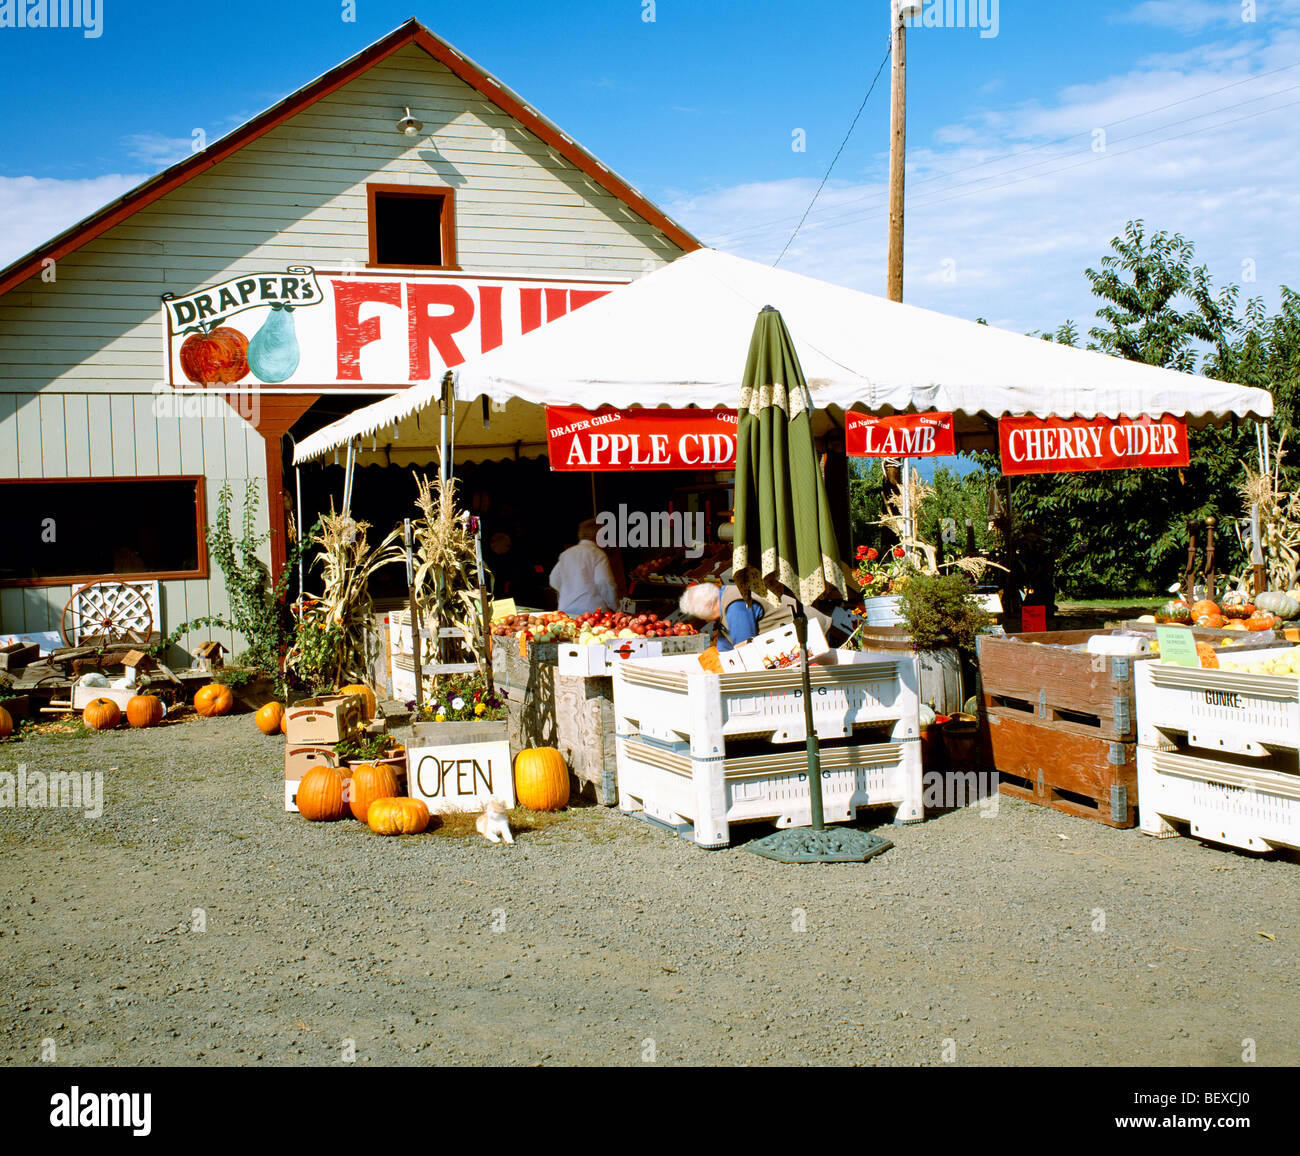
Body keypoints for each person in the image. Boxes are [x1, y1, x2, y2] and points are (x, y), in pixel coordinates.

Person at [549, 519, 617, 616]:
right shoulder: (598, 554)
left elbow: (553, 580)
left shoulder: (566, 554)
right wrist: (616, 607)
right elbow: (604, 583)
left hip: (566, 612)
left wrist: (569, 592)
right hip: (592, 614)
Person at [679, 582, 764, 652]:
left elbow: (745, 649)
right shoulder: (723, 597)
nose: (706, 620)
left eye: (701, 616)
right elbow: (724, 646)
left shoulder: (734, 607)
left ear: (709, 606)